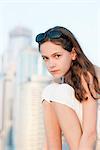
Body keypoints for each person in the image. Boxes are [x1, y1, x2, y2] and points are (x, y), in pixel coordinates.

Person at [35, 26, 100, 150]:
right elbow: (49, 139)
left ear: (73, 54)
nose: (51, 64)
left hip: (94, 134)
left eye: (57, 56)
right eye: (46, 58)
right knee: (49, 91)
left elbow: (90, 133)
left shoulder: (86, 75)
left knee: (59, 91)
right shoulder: (58, 83)